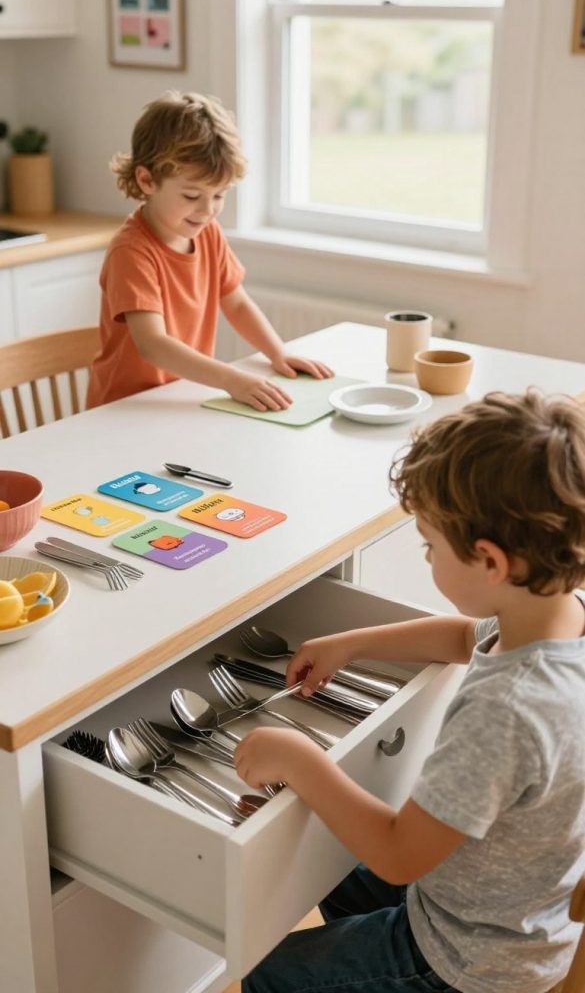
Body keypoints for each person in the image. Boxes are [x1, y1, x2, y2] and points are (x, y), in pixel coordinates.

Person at [235, 389, 585, 993]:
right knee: (326, 855)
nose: (425, 557)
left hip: (462, 958)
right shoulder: (557, 617)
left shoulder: (507, 710)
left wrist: (299, 759)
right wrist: (352, 642)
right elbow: (461, 636)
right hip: (505, 908)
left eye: (428, 545)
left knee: (265, 977)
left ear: (490, 561)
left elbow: (398, 855)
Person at [86, 91, 332, 410]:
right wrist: (232, 379)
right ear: (146, 180)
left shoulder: (207, 234)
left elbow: (237, 303)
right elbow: (153, 345)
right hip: (125, 409)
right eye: (191, 196)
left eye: (219, 195)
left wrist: (277, 352)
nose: (207, 210)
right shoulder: (131, 251)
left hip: (179, 396)